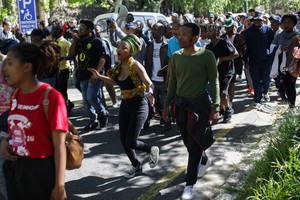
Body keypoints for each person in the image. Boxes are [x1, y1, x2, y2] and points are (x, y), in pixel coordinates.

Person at [0, 42, 68, 199]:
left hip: (40, 171)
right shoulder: (15, 94)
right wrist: (6, 141)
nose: (5, 69)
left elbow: (59, 146)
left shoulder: (51, 97)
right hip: (15, 167)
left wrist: (59, 186)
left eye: (10, 63)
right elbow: (21, 129)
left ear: (27, 67)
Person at [88, 34, 160, 179]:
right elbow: (114, 81)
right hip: (126, 105)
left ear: (131, 50)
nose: (119, 50)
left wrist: (150, 92)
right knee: (123, 139)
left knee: (131, 141)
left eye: (123, 48)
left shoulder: (135, 65)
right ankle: (136, 165)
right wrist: (98, 75)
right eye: (118, 47)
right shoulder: (118, 67)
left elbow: (148, 82)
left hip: (139, 105)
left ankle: (151, 149)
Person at [163, 23, 220, 200]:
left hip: (200, 106)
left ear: (195, 38)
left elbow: (214, 81)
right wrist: (166, 105)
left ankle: (189, 184)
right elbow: (172, 83)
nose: (179, 37)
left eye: (184, 34)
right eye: (178, 34)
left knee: (194, 145)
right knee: (189, 143)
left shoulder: (206, 55)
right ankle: (204, 159)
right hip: (180, 105)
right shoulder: (176, 56)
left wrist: (216, 107)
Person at [69, 19, 109, 130]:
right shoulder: (80, 41)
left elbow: (102, 59)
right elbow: (71, 54)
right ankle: (93, 120)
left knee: (91, 97)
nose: (79, 30)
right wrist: (75, 42)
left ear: (89, 30)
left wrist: (96, 73)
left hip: (94, 75)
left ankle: (103, 112)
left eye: (82, 28)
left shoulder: (96, 41)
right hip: (82, 74)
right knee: (86, 100)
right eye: (79, 27)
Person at [206, 23, 238, 123]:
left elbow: (235, 54)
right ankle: (222, 109)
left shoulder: (224, 42)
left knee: (223, 92)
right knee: (217, 93)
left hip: (227, 71)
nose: (208, 33)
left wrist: (222, 59)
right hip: (216, 72)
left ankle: (228, 110)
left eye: (211, 31)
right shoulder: (208, 47)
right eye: (207, 31)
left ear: (216, 32)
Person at [244, 12, 274, 109]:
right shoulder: (248, 32)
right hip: (253, 60)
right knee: (256, 81)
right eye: (256, 20)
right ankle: (258, 99)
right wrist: (246, 60)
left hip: (266, 60)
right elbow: (246, 47)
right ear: (253, 21)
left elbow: (272, 44)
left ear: (262, 21)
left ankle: (265, 92)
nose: (257, 22)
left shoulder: (268, 30)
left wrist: (271, 58)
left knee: (266, 79)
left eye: (259, 20)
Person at [145, 22, 170, 131]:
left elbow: (172, 61)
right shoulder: (150, 45)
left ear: (162, 31)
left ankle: (166, 121)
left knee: (165, 102)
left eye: (156, 29)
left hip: (164, 80)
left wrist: (165, 70)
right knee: (155, 103)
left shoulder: (167, 45)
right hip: (152, 80)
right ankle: (158, 116)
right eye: (152, 29)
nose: (153, 31)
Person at [270, 14, 300, 108]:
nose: (286, 25)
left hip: (294, 65)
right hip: (281, 66)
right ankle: (288, 102)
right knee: (282, 85)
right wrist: (280, 48)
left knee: (291, 85)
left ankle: (292, 106)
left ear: (294, 24)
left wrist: (298, 42)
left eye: (289, 22)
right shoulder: (279, 35)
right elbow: (272, 47)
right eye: (284, 23)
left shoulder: (298, 35)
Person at [51, 24, 74, 116]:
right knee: (56, 90)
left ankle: (66, 110)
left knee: (62, 90)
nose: (51, 32)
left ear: (59, 32)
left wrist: (63, 57)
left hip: (63, 69)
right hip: (54, 70)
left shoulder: (65, 43)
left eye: (53, 30)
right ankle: (67, 105)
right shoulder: (52, 42)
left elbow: (72, 55)